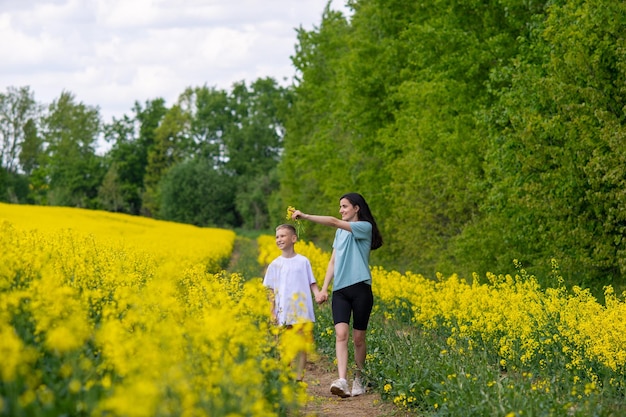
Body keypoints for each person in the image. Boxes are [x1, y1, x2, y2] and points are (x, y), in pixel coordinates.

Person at [291, 192, 383, 398]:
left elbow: (333, 222)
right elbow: (333, 261)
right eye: (340, 207)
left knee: (358, 338)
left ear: (356, 208)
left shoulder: (364, 227)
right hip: (340, 290)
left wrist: (304, 216)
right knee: (341, 335)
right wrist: (324, 289)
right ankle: (342, 380)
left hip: (361, 288)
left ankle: (359, 378)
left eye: (344, 206)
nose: (341, 210)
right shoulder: (340, 233)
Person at [263, 223, 320, 382]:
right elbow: (270, 290)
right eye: (277, 237)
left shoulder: (303, 261)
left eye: (283, 236)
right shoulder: (275, 264)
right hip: (283, 310)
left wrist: (318, 294)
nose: (279, 239)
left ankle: (298, 375)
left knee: (301, 343)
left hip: (302, 310)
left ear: (293, 238)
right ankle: (285, 372)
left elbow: (312, 282)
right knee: (283, 343)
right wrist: (271, 311)